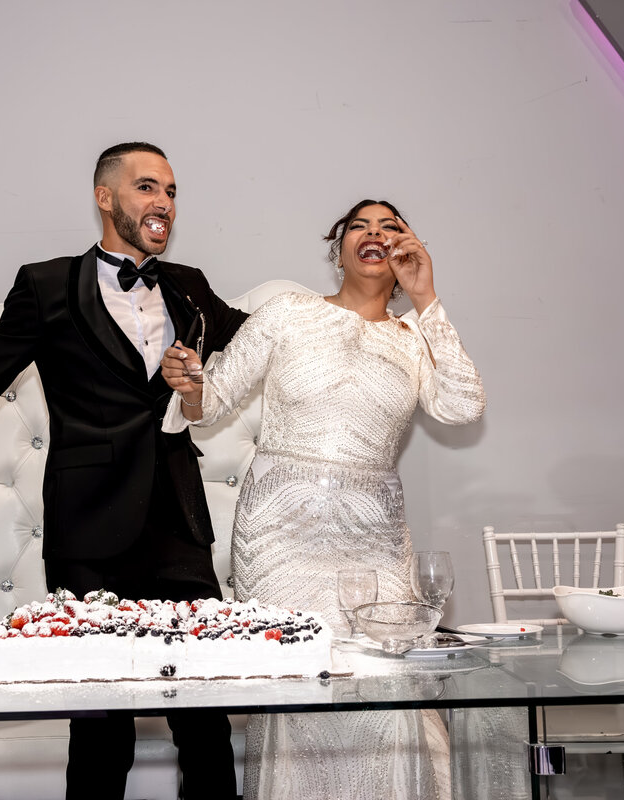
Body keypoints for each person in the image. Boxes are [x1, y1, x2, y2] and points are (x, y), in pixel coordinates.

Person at [0, 142, 246, 800]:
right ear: (106, 197)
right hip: (90, 538)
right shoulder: (46, 285)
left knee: (206, 732)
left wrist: (359, 311)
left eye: (172, 190)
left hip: (179, 531)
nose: (163, 202)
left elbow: (268, 338)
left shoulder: (190, 286)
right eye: (147, 187)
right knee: (104, 737)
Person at [160, 199, 486, 799]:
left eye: (391, 227)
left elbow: (463, 407)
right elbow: (210, 405)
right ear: (337, 247)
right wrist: (190, 382)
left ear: (405, 251)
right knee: (299, 688)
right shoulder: (287, 314)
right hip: (281, 533)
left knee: (391, 690)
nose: (374, 234)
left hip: (375, 536)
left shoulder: (416, 337)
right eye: (359, 226)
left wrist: (428, 299)